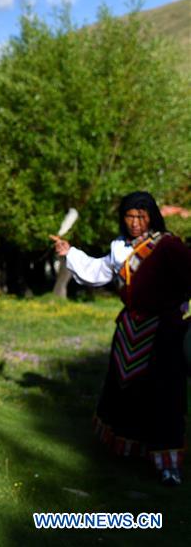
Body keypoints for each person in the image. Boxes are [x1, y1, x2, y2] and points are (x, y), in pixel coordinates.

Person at [52, 191, 191, 485]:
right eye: (130, 216)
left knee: (164, 394)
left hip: (163, 330)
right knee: (125, 392)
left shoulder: (168, 246)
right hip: (130, 328)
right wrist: (69, 252)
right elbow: (97, 270)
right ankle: (128, 451)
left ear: (152, 216)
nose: (135, 222)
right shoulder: (119, 248)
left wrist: (182, 314)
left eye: (141, 216)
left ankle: (168, 463)